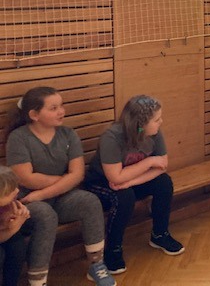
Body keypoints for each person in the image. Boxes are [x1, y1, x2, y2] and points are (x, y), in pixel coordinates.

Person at [6, 87, 115, 286]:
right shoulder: (18, 138)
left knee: (89, 201)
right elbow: (26, 179)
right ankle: (38, 281)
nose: (61, 111)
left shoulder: (68, 134)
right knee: (46, 215)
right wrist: (65, 179)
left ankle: (97, 265)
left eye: (61, 106)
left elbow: (78, 174)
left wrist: (44, 193)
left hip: (53, 197)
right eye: (53, 108)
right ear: (34, 115)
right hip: (27, 201)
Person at [84, 95, 184, 276]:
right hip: (101, 183)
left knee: (164, 183)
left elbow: (162, 166)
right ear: (140, 123)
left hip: (129, 179)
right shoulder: (112, 137)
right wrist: (149, 162)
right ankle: (112, 250)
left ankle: (160, 235)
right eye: (156, 119)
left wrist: (130, 181)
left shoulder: (155, 133)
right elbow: (114, 177)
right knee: (124, 197)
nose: (161, 122)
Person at [0, 165, 29, 286]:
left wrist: (6, 222)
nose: (17, 191)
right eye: (11, 190)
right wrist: (14, 227)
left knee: (17, 245)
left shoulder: (6, 203)